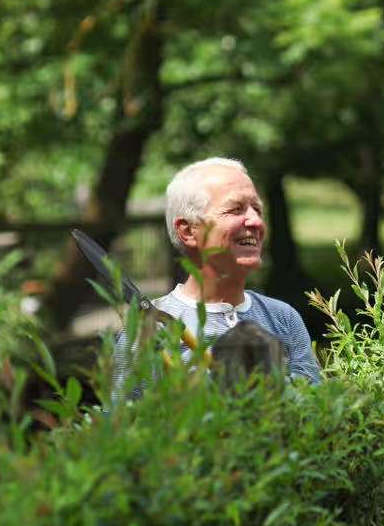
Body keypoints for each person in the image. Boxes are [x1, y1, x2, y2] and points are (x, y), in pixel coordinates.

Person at [111, 158, 321, 400]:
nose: (256, 221)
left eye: (257, 209)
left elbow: (315, 414)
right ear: (188, 231)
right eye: (235, 209)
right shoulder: (146, 331)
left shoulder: (283, 318)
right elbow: (121, 428)